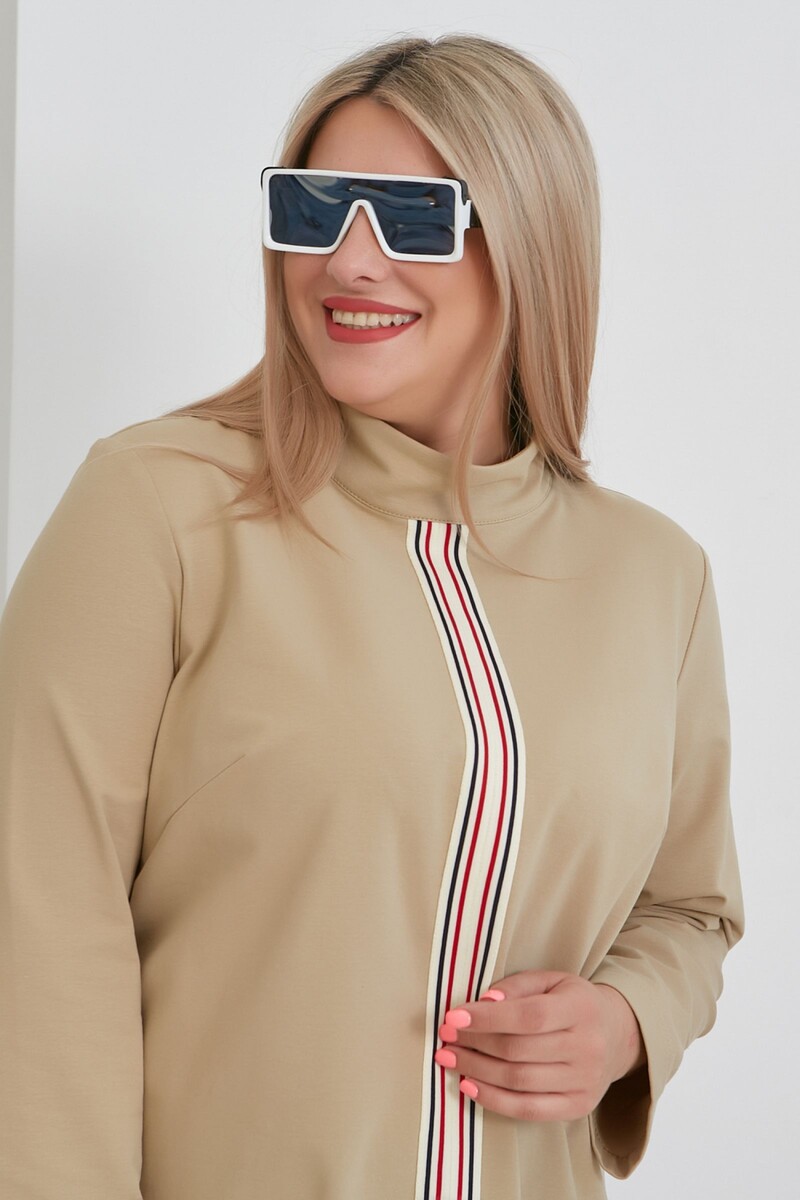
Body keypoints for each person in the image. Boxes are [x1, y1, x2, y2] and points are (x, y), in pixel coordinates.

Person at [0, 31, 744, 1200]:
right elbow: (34, 924)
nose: (348, 260)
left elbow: (689, 910)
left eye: (411, 216)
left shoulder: (655, 577)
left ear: (531, 239)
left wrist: (623, 1022)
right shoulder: (160, 507)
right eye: (313, 209)